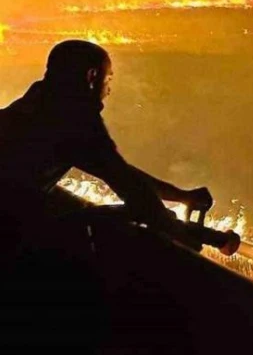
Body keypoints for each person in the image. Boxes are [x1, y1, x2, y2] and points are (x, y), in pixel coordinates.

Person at [0, 40, 214, 242]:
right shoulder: (74, 117)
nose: (108, 90)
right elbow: (125, 181)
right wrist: (174, 229)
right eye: (108, 79)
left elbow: (115, 169)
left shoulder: (38, 102)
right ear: (92, 76)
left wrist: (180, 196)